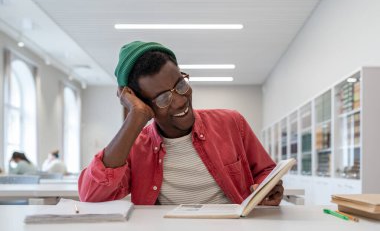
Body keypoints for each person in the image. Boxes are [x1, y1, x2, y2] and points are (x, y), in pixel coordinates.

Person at [78, 41, 283, 206]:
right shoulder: (134, 147)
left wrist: (268, 187)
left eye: (181, 85)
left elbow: (265, 172)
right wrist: (135, 116)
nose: (180, 101)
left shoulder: (231, 122)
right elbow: (91, 194)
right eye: (163, 99)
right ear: (142, 103)